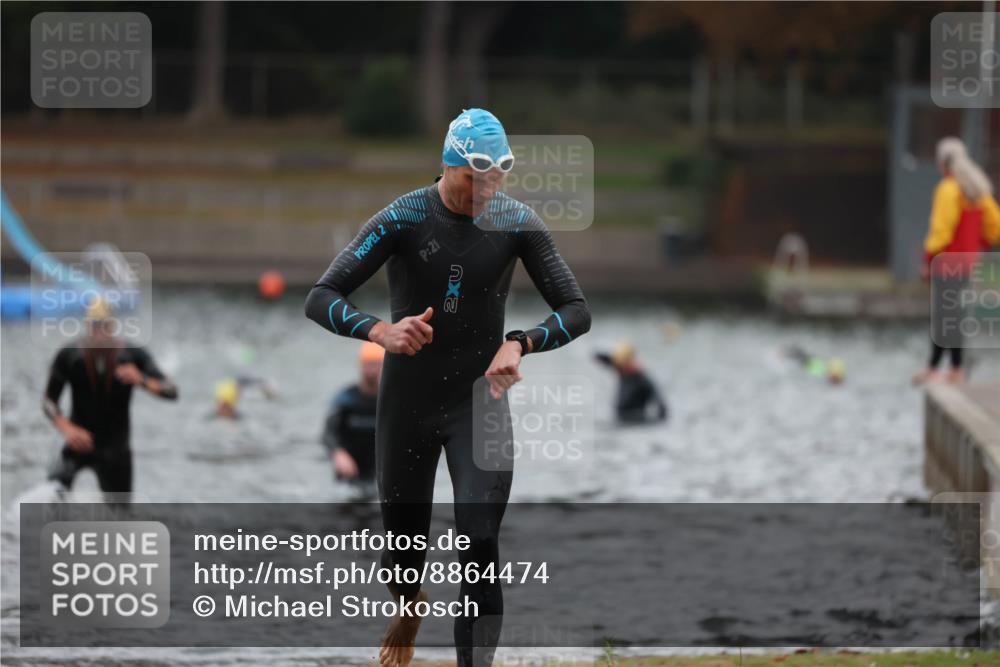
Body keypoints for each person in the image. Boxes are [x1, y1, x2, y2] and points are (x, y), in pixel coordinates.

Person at [305, 108, 591, 667]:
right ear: (448, 163)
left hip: (478, 403)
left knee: (479, 542)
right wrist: (381, 331)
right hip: (408, 405)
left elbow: (576, 310)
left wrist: (520, 343)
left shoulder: (517, 222)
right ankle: (409, 607)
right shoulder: (405, 215)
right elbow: (321, 296)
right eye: (474, 177)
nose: (486, 190)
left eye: (496, 178)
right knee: (403, 562)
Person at [43, 298, 178, 502]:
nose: (99, 332)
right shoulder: (69, 356)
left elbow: (172, 391)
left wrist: (142, 380)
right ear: (87, 325)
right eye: (95, 325)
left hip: (116, 449)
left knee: (121, 518)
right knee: (50, 501)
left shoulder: (133, 355)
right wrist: (65, 427)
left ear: (113, 326)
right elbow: (49, 400)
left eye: (104, 325)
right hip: (77, 444)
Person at [913, 137, 1000, 385]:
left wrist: (928, 259)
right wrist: (978, 244)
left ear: (943, 163)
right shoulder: (977, 190)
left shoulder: (949, 189)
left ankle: (942, 368)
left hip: (947, 263)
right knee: (954, 315)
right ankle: (953, 368)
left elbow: (941, 231)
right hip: (967, 264)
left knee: (944, 316)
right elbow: (995, 227)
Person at [322, 341, 382, 490]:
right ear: (361, 366)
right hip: (348, 472)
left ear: (384, 367)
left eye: (376, 365)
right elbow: (328, 433)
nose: (372, 371)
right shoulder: (346, 399)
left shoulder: (391, 401)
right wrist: (338, 453)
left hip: (379, 473)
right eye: (368, 364)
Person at [594, 343, 668, 423]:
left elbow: (661, 403)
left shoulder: (643, 380)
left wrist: (657, 420)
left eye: (623, 363)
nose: (620, 367)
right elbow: (599, 356)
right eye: (619, 363)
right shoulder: (622, 370)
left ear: (631, 361)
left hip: (636, 420)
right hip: (620, 416)